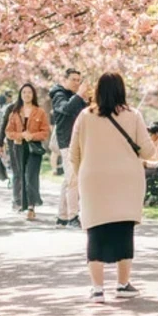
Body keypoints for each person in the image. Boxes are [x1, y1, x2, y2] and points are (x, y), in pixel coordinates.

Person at [69, 73, 155, 302]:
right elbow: (148, 152)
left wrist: (84, 174)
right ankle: (122, 284)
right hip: (126, 180)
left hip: (93, 179)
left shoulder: (85, 116)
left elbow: (73, 153)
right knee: (123, 231)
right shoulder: (133, 115)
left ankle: (97, 289)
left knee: (95, 232)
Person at [5, 83, 51, 221]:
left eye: (29, 92)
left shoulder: (40, 112)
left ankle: (31, 206)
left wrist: (32, 136)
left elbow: (45, 132)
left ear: (33, 95)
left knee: (30, 176)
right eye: (24, 92)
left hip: (34, 148)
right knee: (21, 175)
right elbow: (8, 132)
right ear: (20, 94)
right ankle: (23, 204)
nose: (27, 95)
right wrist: (20, 135)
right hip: (19, 147)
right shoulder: (15, 112)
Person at [51, 69, 87, 227]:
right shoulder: (59, 95)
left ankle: (62, 216)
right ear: (65, 79)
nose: (76, 83)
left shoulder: (74, 97)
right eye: (73, 79)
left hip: (77, 141)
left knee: (68, 180)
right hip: (66, 142)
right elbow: (66, 109)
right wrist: (79, 95)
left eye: (79, 80)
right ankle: (73, 216)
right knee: (73, 180)